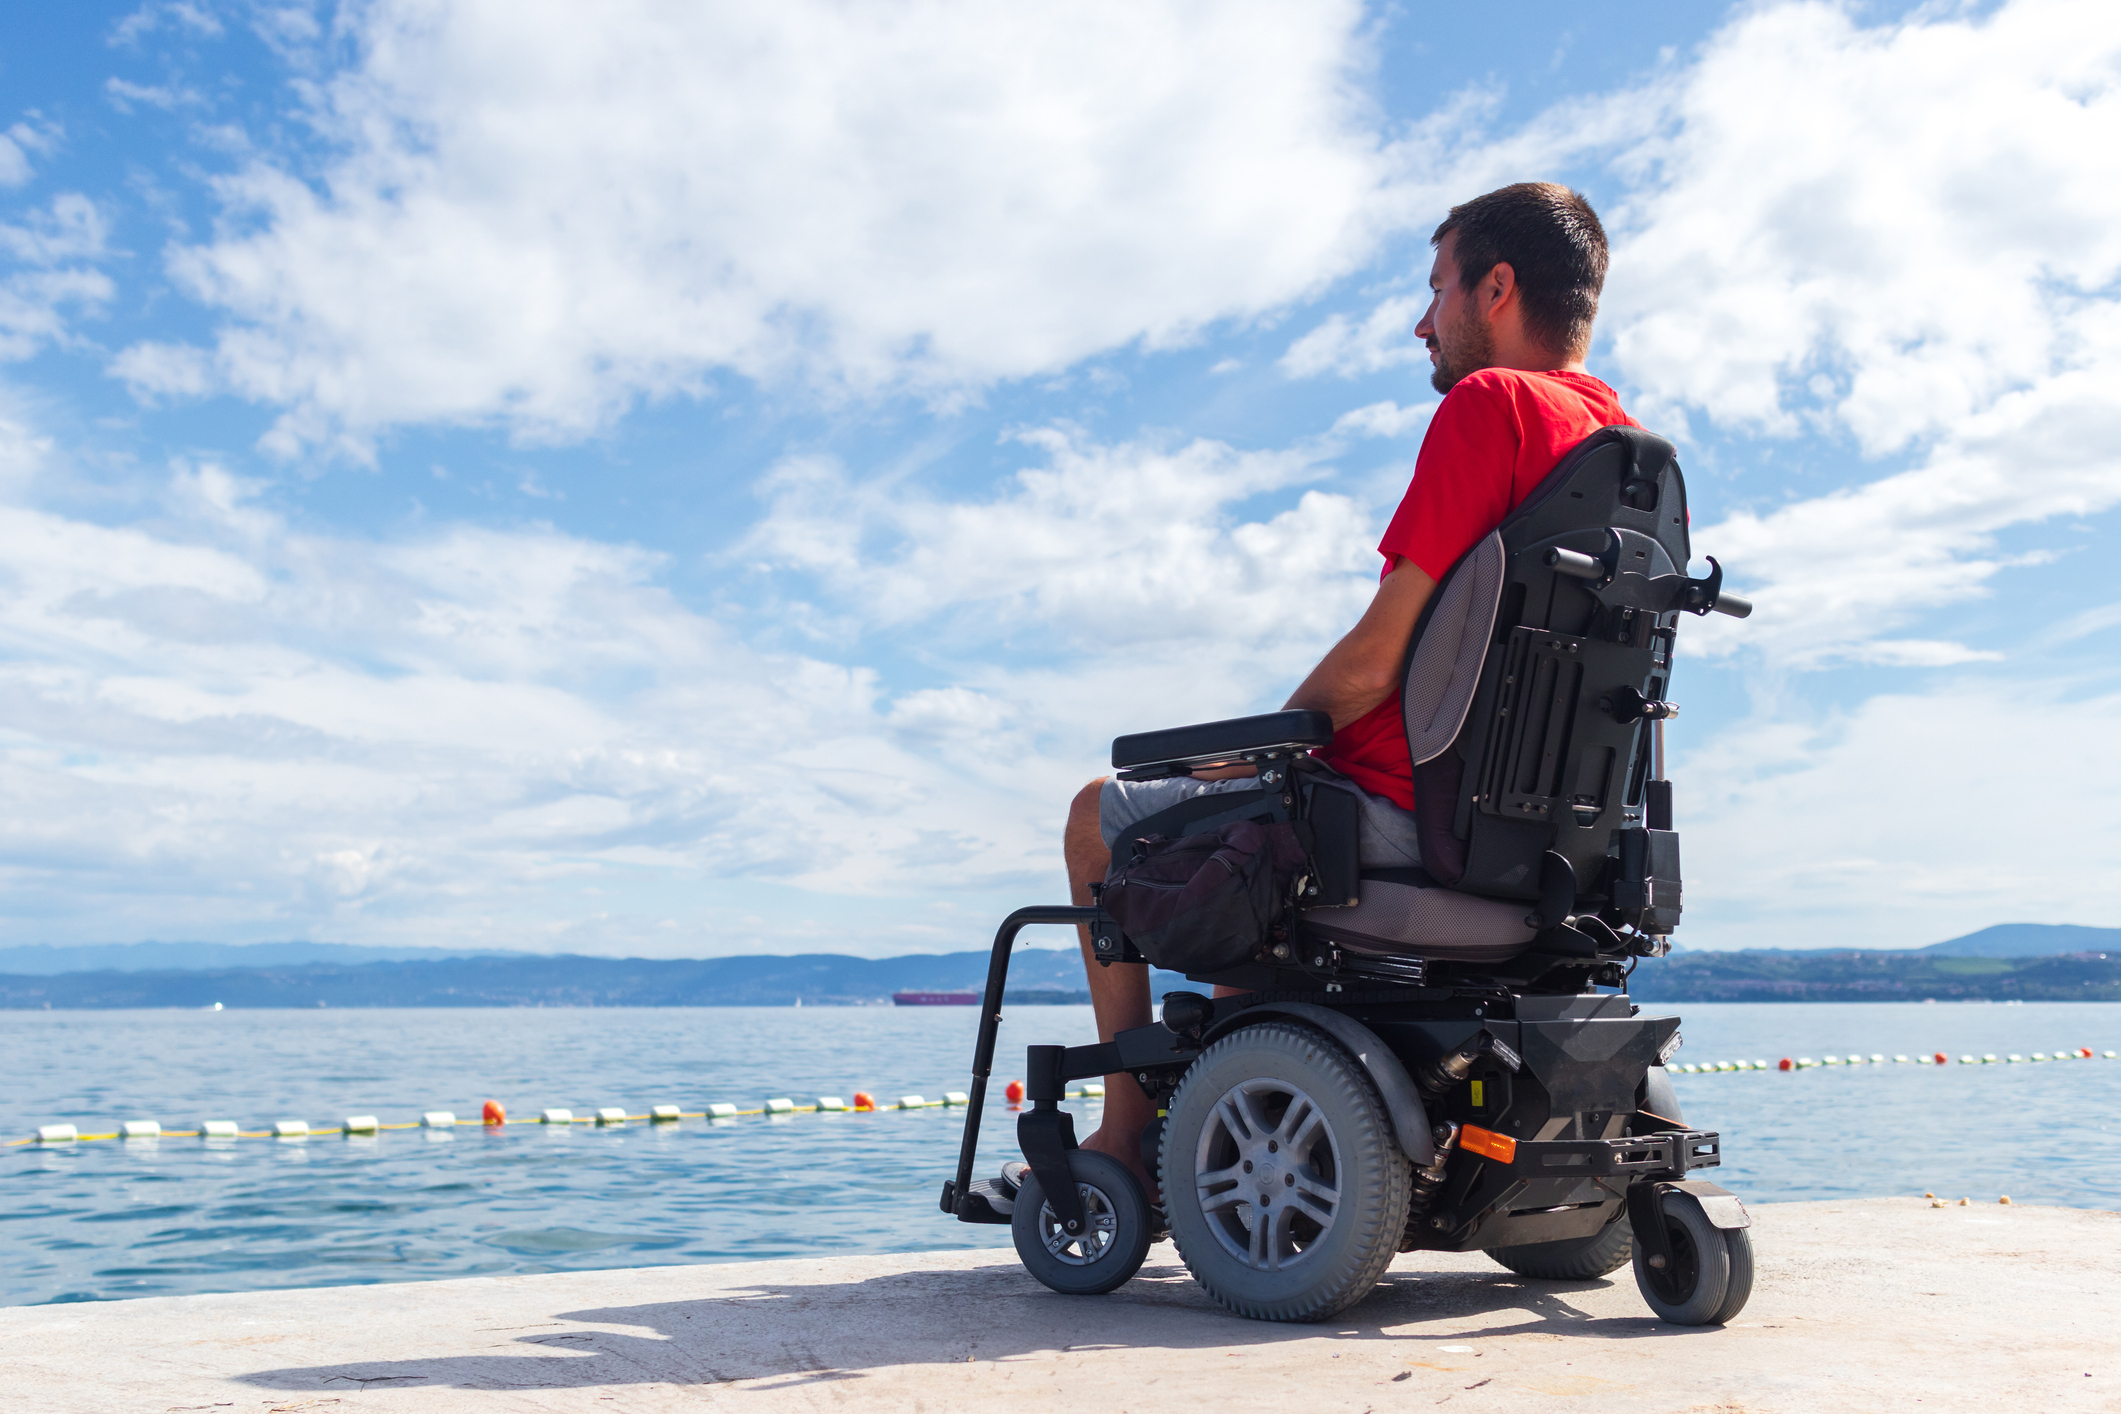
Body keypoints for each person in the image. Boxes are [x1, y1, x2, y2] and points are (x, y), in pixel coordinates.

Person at [1062, 182, 1637, 1197]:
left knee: (1095, 817)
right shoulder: (1623, 456)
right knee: (1246, 835)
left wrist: (1261, 750)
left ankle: (1123, 1135)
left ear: (1496, 288)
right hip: (1551, 846)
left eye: (1437, 290)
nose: (1423, 323)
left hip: (1409, 817)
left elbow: (1375, 663)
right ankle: (1228, 1106)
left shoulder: (1492, 406)